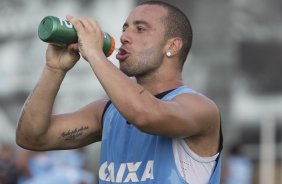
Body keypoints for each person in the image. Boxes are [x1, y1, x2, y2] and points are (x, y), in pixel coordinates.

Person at [16, 1, 223, 183]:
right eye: (125, 28)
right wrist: (54, 69)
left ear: (173, 46)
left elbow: (145, 115)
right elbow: (32, 138)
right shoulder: (106, 113)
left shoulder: (201, 109)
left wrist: (95, 54)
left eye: (140, 29)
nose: (124, 36)